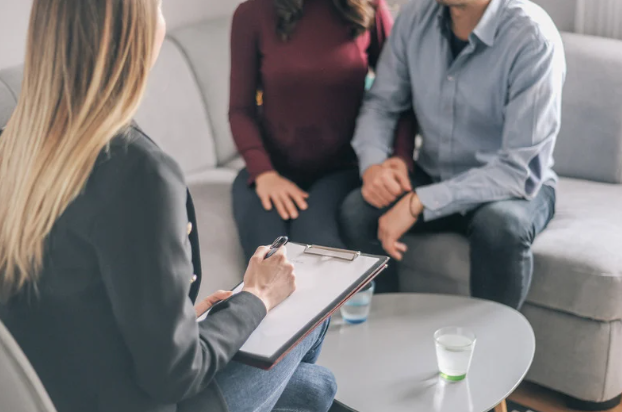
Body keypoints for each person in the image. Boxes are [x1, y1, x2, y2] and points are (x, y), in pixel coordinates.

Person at [0, 1, 336, 411]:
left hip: (69, 395)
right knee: (313, 313)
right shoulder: (136, 172)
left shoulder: (11, 145)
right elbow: (175, 375)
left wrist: (178, 319)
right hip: (145, 400)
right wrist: (256, 296)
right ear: (134, 35)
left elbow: (69, 301)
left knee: (314, 387)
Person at [340, 0, 566, 306]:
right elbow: (382, 104)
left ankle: (492, 351)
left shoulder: (533, 37)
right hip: (434, 171)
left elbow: (519, 169)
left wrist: (419, 202)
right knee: (357, 211)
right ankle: (390, 334)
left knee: (500, 228)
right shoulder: (416, 16)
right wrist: (373, 167)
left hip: (508, 186)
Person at [229, 0, 414, 261]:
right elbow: (240, 110)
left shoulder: (369, 8)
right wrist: (264, 173)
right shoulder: (251, 13)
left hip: (342, 169)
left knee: (317, 245)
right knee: (266, 259)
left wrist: (401, 157)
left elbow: (399, 95)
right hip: (271, 168)